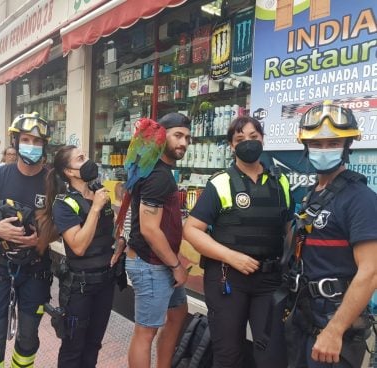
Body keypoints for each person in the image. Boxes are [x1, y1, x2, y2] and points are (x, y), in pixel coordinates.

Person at [183, 115, 294, 368]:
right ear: (232, 146)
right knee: (228, 354)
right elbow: (192, 230)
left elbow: (287, 228)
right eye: (240, 139)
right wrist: (231, 256)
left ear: (263, 140)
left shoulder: (281, 182)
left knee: (272, 356)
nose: (248, 143)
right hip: (228, 279)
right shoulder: (220, 183)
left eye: (253, 137)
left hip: (269, 281)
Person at [283, 102, 377, 368]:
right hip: (304, 318)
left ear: (347, 146)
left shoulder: (361, 199)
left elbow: (371, 272)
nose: (324, 150)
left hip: (334, 325)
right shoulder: (314, 194)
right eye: (318, 144)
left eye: (333, 143)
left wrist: (335, 331)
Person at [0, 112, 53, 368]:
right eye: (27, 139)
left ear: (45, 145)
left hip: (36, 270)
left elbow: (61, 228)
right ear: (16, 142)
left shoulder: (53, 181)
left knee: (29, 338)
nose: (32, 145)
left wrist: (39, 241)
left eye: (38, 141)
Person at [38, 145, 125, 368]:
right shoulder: (64, 203)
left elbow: (109, 230)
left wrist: (120, 241)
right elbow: (78, 246)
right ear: (69, 171)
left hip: (105, 283)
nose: (87, 161)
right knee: (73, 348)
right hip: (80, 288)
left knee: (94, 344)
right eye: (80, 158)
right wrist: (95, 208)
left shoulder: (99, 191)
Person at [126, 112, 191, 368]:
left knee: (177, 314)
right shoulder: (158, 176)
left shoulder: (159, 172)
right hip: (151, 264)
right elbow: (150, 229)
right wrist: (176, 266)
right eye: (177, 136)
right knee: (146, 331)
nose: (183, 142)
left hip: (161, 262)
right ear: (161, 137)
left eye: (187, 137)